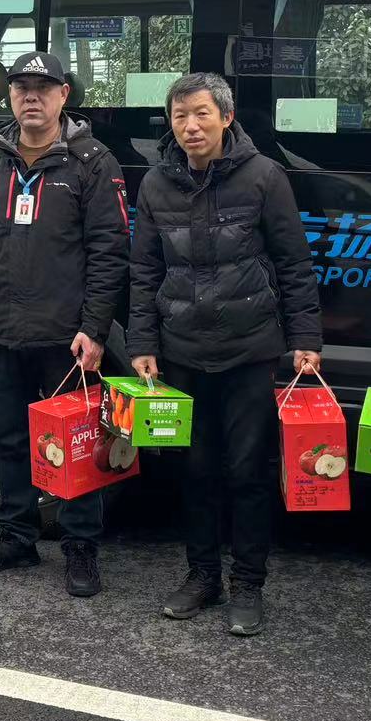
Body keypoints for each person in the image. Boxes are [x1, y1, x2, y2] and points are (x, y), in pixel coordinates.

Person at [127, 72, 322, 637]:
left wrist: (306, 339)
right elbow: (144, 271)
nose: (191, 126)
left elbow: (294, 264)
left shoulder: (264, 176)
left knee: (248, 472)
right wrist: (142, 343)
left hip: (249, 349)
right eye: (180, 116)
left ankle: (248, 584)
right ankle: (202, 576)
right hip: (182, 350)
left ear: (226, 117)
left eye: (202, 114)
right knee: (194, 470)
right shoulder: (156, 183)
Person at [0, 51, 130, 597]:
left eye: (43, 88)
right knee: (10, 438)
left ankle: (80, 546)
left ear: (64, 95)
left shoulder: (92, 161)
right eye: (22, 88)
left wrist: (95, 328)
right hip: (0, 328)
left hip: (67, 337)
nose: (31, 97)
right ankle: (16, 537)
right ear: (11, 96)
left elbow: (110, 252)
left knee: (77, 443)